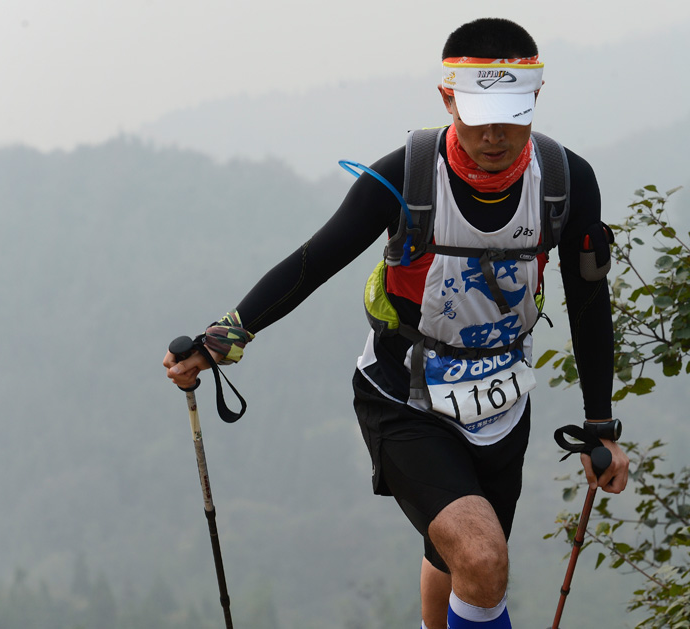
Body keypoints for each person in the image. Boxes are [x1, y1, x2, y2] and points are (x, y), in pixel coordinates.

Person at [163, 17, 629, 629]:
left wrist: (599, 425)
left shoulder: (566, 182)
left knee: (457, 557)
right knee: (483, 557)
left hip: (502, 402)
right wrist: (220, 340)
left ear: (536, 97)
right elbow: (313, 262)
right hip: (403, 396)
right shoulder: (404, 176)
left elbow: (589, 301)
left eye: (512, 116)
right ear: (447, 99)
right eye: (478, 116)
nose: (494, 135)